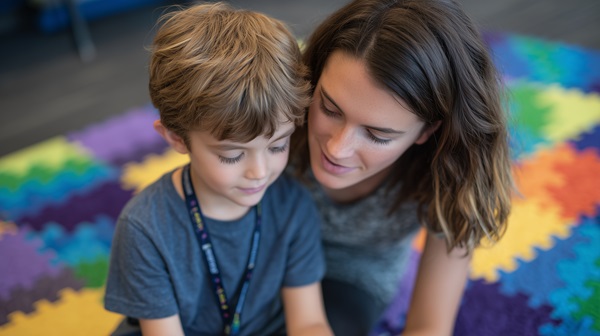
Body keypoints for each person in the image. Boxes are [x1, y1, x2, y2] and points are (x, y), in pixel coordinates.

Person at [104, 3, 332, 335]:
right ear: (177, 138)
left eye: (278, 145)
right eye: (231, 155)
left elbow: (309, 321)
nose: (259, 171)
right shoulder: (145, 228)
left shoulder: (293, 205)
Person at [290, 0, 514, 335]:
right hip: (255, 245)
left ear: (427, 130)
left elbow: (429, 326)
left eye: (377, 135)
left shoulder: (452, 173)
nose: (337, 148)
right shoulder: (284, 103)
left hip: (351, 279)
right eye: (329, 107)